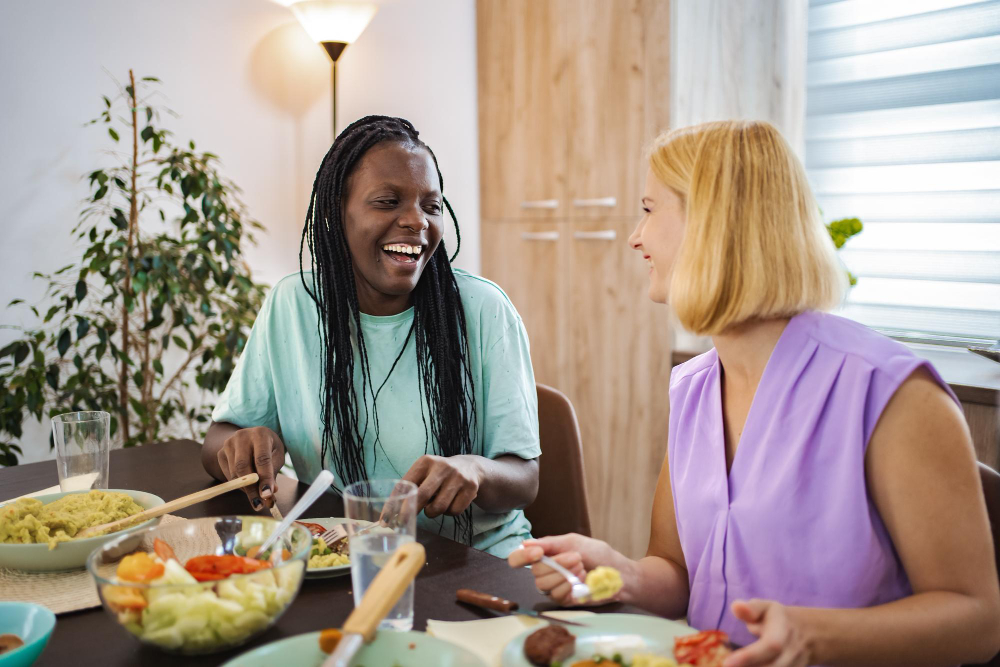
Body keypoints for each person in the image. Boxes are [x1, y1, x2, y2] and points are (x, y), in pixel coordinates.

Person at [510, 120, 1000, 666]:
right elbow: (676, 573)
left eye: (649, 209)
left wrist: (813, 635)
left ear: (712, 223)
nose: (635, 236)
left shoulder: (892, 395)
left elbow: (978, 619)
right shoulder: (693, 389)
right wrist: (618, 573)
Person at [202, 115, 540, 557]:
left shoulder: (484, 310)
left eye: (431, 206)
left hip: (470, 560)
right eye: (387, 201)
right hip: (344, 558)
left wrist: (475, 469)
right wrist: (240, 446)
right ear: (337, 215)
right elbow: (217, 441)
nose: (416, 221)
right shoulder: (294, 306)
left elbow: (524, 478)